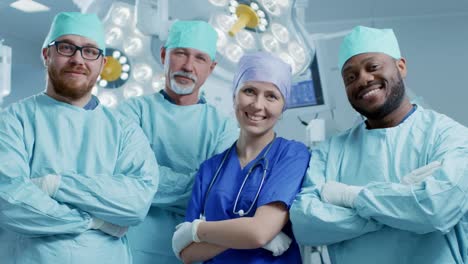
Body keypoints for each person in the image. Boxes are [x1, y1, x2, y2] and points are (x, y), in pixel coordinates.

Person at [290, 25, 468, 264]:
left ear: (401, 67)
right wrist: (402, 206)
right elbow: (305, 224)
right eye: (350, 77)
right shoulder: (330, 152)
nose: (363, 79)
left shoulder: (448, 136)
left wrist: (352, 197)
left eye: (372, 67)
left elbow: (436, 209)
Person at [0, 12, 159, 264]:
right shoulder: (11, 122)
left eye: (90, 51)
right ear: (46, 55)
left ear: (102, 63)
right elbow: (8, 201)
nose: (78, 59)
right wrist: (95, 221)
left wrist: (53, 185)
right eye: (66, 48)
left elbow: (136, 202)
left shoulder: (125, 132)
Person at [117, 20, 239, 263]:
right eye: (180, 54)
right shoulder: (131, 113)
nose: (188, 66)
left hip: (195, 248)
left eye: (199, 58)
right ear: (163, 55)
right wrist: (194, 183)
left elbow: (216, 193)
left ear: (211, 67)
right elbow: (123, 178)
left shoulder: (224, 127)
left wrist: (148, 185)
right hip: (133, 246)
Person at [171, 52, 311, 263]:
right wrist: (248, 233)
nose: (257, 105)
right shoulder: (210, 169)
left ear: (283, 107)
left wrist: (197, 229)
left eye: (271, 96)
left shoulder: (292, 155)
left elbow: (259, 232)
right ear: (234, 95)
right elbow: (187, 253)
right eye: (249, 91)